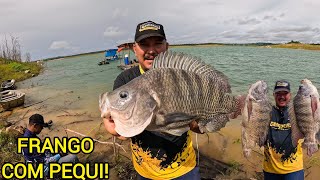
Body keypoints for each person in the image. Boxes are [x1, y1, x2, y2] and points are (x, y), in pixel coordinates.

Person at [103, 20, 244, 179]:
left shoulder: (179, 73)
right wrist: (114, 128)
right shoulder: (125, 80)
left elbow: (197, 128)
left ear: (166, 47)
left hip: (183, 169)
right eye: (144, 45)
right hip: (145, 172)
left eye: (157, 43)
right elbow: (120, 128)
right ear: (135, 48)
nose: (151, 50)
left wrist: (199, 122)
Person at [263, 80, 304, 180]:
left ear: (290, 95)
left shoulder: (297, 112)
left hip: (293, 170)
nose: (281, 97)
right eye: (278, 94)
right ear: (273, 95)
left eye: (285, 93)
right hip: (270, 169)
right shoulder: (266, 112)